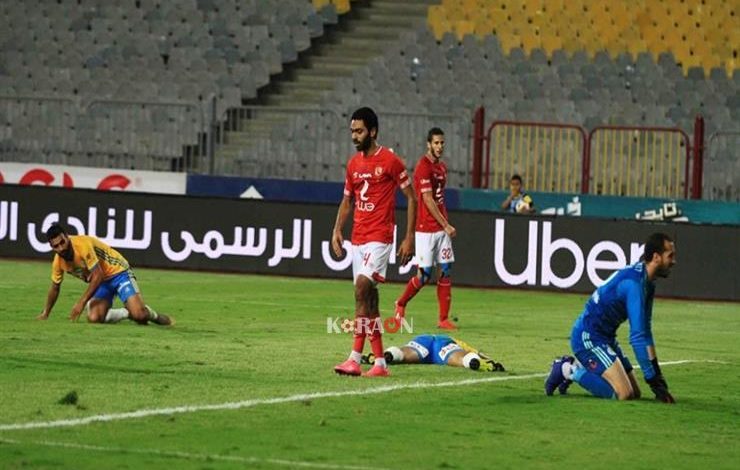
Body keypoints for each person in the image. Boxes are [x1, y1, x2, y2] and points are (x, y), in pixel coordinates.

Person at [332, 107, 416, 377]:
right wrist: (337, 230)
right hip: (357, 238)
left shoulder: (390, 161)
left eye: (359, 131)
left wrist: (409, 236)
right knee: (369, 299)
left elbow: (412, 198)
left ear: (373, 131)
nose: (355, 136)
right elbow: (347, 201)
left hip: (380, 237)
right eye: (352, 131)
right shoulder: (353, 164)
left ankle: (354, 358)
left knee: (361, 287)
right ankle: (379, 363)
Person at [544, 232, 677, 403]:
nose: (674, 261)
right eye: (670, 256)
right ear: (656, 257)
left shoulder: (647, 282)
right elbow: (638, 337)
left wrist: (656, 378)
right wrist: (654, 381)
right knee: (623, 394)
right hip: (588, 337)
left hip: (606, 338)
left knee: (635, 393)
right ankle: (568, 369)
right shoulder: (635, 284)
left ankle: (582, 371)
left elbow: (645, 331)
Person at [37, 223, 173, 326]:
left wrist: (81, 303)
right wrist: (46, 313)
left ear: (67, 237)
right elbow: (55, 287)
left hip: (119, 272)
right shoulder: (58, 262)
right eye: (56, 246)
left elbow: (97, 275)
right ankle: (126, 312)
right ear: (51, 247)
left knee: (140, 315)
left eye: (63, 242)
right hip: (102, 282)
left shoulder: (82, 245)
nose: (61, 248)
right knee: (94, 318)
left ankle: (152, 315)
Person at [394, 127, 458, 330]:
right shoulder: (423, 167)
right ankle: (401, 303)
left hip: (441, 229)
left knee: (446, 270)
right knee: (424, 275)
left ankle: (443, 319)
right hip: (426, 230)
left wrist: (444, 223)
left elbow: (439, 199)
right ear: (428, 144)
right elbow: (428, 200)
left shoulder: (442, 168)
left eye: (442, 143)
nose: (440, 146)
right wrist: (446, 224)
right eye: (436, 143)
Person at [362, 334, 505, 372]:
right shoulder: (456, 343)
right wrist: (488, 360)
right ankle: (477, 364)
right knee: (460, 359)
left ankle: (381, 356)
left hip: (423, 340)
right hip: (443, 345)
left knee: (405, 354)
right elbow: (476, 351)